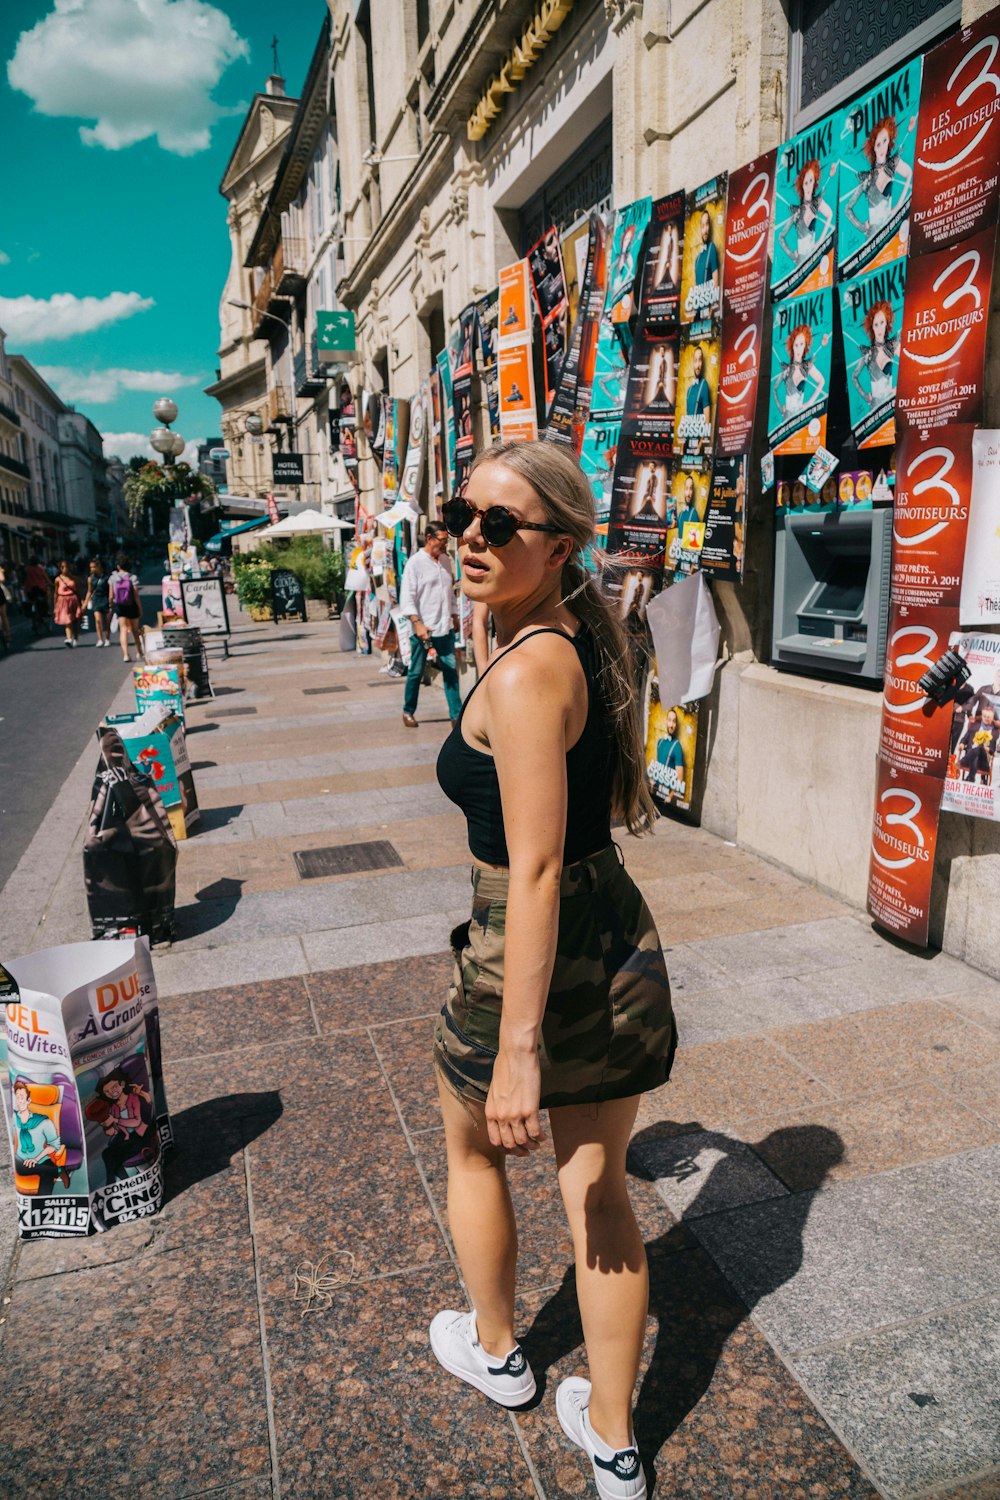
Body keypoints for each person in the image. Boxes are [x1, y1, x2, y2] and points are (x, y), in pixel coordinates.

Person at [432, 440, 676, 1500]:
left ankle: (497, 1350)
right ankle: (615, 1441)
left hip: (525, 950)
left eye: (501, 526)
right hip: (608, 931)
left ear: (561, 546)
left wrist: (519, 1051)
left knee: (477, 1153)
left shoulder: (531, 667)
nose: (469, 538)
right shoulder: (555, 631)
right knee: (600, 1192)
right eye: (462, 513)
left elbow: (528, 870)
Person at [399, 521, 462, 727]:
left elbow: (449, 592)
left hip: (444, 626)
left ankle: (456, 715)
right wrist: (417, 624)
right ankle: (408, 711)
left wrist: (454, 615)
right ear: (429, 538)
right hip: (422, 628)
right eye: (442, 541)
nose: (445, 546)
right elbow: (406, 598)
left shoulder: (445, 560)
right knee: (416, 672)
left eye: (446, 541)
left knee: (450, 672)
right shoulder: (414, 563)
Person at [844, 116, 912, 238]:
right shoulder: (867, 178)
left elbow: (909, 173)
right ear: (874, 147)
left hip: (890, 228)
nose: (881, 147)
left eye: (885, 141)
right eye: (878, 144)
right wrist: (862, 227)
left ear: (889, 141)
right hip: (873, 236)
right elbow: (847, 209)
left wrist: (898, 206)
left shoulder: (892, 165)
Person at [11, 1079, 70, 1193]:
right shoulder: (14, 1118)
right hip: (21, 1160)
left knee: (46, 1175)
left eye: (22, 1097)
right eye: (17, 1097)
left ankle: (43, 1203)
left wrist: (36, 1159)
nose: (19, 1101)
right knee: (33, 1168)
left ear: (29, 1100)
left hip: (42, 1159)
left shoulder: (44, 1121)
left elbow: (54, 1145)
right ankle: (58, 1171)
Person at [778, 158, 834, 267]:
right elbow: (781, 237)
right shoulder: (797, 212)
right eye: (806, 182)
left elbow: (829, 214)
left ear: (815, 182)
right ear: (802, 185)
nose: (808, 186)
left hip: (813, 258)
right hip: (800, 263)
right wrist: (792, 255)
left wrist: (820, 240)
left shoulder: (816, 203)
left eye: (811, 181)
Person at [851, 300, 898, 410]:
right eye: (876, 324)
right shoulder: (868, 353)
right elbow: (854, 377)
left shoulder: (892, 345)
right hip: (875, 409)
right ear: (872, 327)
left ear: (887, 322)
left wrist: (896, 389)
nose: (879, 328)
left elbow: (910, 363)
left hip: (891, 406)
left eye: (882, 322)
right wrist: (866, 397)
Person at [773, 322, 826, 419]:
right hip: (787, 419)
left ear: (805, 345)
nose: (798, 348)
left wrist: (809, 403)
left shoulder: (807, 366)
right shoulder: (786, 369)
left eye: (801, 344)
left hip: (801, 417)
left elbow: (822, 381)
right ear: (792, 346)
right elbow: (774, 389)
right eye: (796, 345)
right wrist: (780, 408)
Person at [108, 554, 145, 663]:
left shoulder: (113, 578)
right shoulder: (132, 577)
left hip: (120, 606)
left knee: (123, 629)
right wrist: (139, 608)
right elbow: (136, 595)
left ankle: (126, 655)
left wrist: (111, 606)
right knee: (135, 629)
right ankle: (139, 652)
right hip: (132, 605)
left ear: (118, 566)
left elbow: (111, 596)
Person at [83, 558, 111, 647]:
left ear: (99, 567)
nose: (92, 569)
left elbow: (110, 591)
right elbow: (89, 591)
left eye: (94, 567)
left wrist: (111, 602)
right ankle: (100, 639)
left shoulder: (107, 577)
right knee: (98, 620)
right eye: (91, 567)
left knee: (107, 621)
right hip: (96, 600)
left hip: (105, 600)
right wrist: (85, 604)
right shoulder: (90, 579)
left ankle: (107, 638)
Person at [53, 559, 82, 647]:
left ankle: (75, 638)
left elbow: (79, 592)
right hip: (63, 600)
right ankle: (69, 638)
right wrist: (55, 605)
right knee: (67, 620)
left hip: (73, 600)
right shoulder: (58, 579)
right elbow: (56, 593)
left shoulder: (75, 579)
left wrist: (81, 604)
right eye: (62, 567)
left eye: (66, 567)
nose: (65, 569)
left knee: (75, 621)